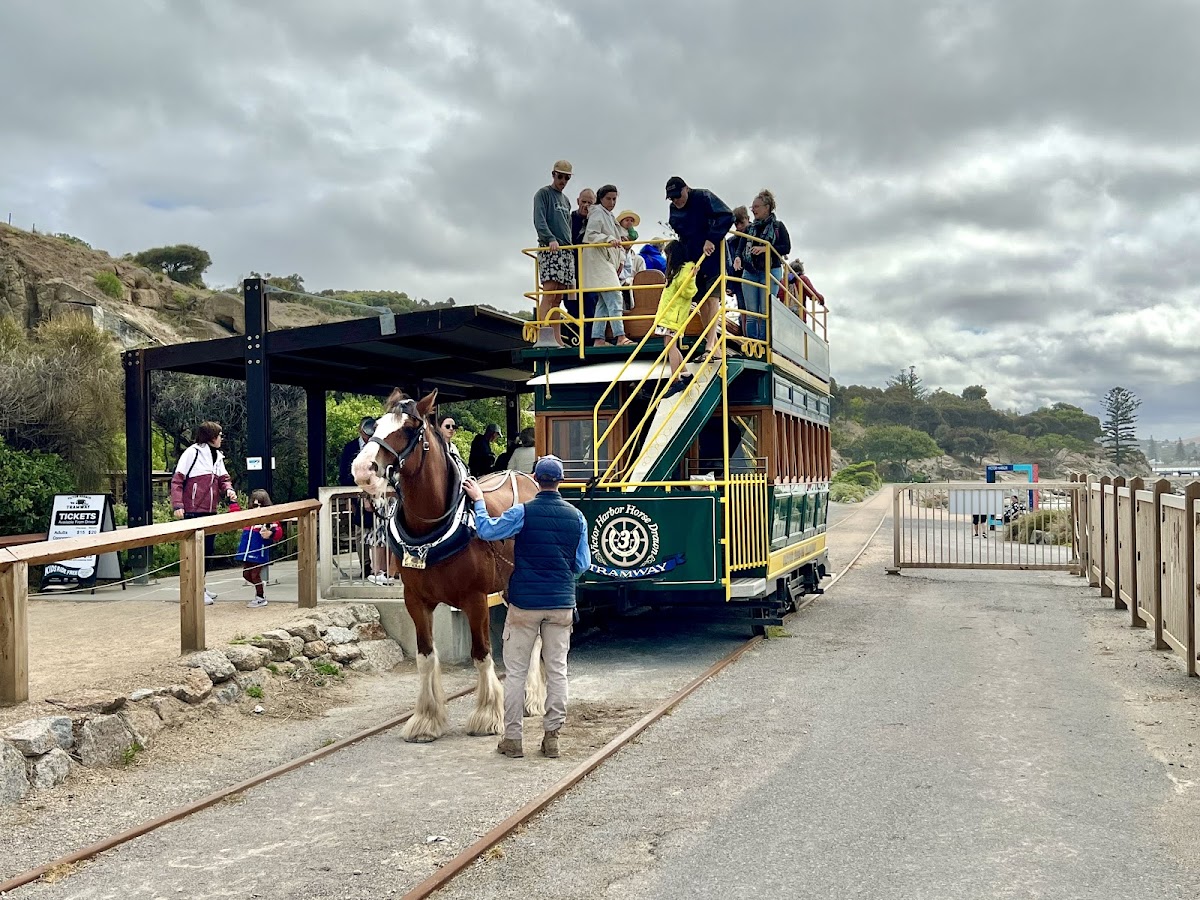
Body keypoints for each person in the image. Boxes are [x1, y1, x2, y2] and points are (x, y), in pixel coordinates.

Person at [463, 455, 589, 759]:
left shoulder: (522, 512)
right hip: (561, 605)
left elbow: (487, 531)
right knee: (557, 671)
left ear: (535, 478)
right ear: (561, 481)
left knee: (516, 673)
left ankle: (514, 739)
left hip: (524, 605)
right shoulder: (577, 517)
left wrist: (479, 500)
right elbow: (582, 565)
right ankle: (552, 738)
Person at [170, 421, 238, 605]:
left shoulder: (217, 456)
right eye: (219, 434)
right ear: (211, 436)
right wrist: (178, 505)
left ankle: (201, 586)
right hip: (193, 511)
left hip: (210, 511)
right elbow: (177, 480)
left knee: (207, 551)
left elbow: (224, 478)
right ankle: (195, 590)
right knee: (195, 552)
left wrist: (229, 489)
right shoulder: (192, 452)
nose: (221, 438)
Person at [665, 176, 733, 356]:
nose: (676, 201)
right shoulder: (674, 209)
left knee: (712, 299)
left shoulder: (703, 197)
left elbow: (727, 216)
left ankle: (711, 344)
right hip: (693, 259)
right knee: (700, 300)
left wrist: (711, 238)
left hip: (713, 255)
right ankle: (714, 346)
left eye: (677, 196)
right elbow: (679, 229)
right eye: (672, 198)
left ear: (686, 189)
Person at [582, 184, 634, 347]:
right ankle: (620, 336)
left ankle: (598, 339)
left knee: (604, 303)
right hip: (598, 261)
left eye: (614, 199)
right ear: (601, 199)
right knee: (615, 296)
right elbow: (591, 234)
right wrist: (609, 239)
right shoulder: (598, 212)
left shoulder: (607, 215)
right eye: (608, 199)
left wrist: (618, 241)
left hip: (604, 261)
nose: (612, 202)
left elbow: (611, 235)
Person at [533, 160, 576, 348]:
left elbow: (568, 225)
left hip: (565, 251)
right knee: (549, 293)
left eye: (567, 177)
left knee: (558, 299)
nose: (563, 180)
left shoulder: (565, 200)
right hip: (550, 249)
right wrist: (550, 238)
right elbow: (539, 220)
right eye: (560, 176)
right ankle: (543, 335)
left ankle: (557, 339)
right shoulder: (543, 194)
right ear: (553, 175)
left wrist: (569, 246)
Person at [741, 190, 792, 341]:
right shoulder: (750, 228)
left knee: (764, 311)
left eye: (756, 206)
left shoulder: (778, 226)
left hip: (770, 270)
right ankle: (751, 343)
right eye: (752, 207)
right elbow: (740, 247)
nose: (753, 210)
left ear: (767, 207)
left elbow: (786, 248)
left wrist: (766, 248)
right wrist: (738, 258)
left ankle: (764, 345)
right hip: (750, 270)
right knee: (751, 312)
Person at [653, 240, 699, 398]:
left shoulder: (685, 270)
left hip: (675, 315)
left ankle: (675, 379)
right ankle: (685, 374)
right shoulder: (677, 270)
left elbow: (689, 292)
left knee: (670, 346)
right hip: (669, 314)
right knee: (669, 345)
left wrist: (692, 277)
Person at [339, 416, 378, 577]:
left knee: (379, 531)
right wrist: (352, 498)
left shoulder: (379, 446)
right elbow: (344, 474)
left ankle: (380, 567)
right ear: (360, 430)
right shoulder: (350, 448)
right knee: (361, 532)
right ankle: (366, 566)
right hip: (357, 496)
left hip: (379, 494)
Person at [236, 489, 283, 608]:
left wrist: (270, 533)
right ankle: (260, 587)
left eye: (261, 505)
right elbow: (235, 515)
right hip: (247, 550)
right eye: (255, 505)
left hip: (259, 550)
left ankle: (260, 597)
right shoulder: (248, 517)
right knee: (246, 574)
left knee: (254, 575)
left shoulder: (269, 518)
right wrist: (233, 502)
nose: (257, 508)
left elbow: (278, 531)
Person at [616, 209, 646, 312]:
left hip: (631, 284)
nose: (629, 223)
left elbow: (642, 278)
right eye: (626, 220)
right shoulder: (616, 237)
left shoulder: (638, 259)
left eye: (631, 221)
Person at [726, 205, 750, 330]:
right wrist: (729, 285)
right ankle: (747, 337)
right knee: (743, 309)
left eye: (742, 223)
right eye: (736, 224)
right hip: (739, 279)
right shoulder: (731, 242)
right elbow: (729, 264)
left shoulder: (755, 234)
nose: (739, 227)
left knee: (756, 310)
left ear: (748, 219)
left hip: (753, 276)